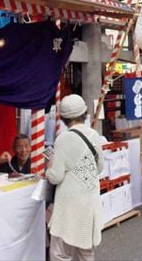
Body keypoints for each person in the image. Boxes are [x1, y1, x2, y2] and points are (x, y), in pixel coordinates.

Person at [46, 94, 104, 261]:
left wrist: (48, 169)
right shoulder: (93, 135)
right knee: (85, 251)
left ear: (63, 118)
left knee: (60, 252)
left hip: (69, 202)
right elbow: (99, 167)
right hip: (89, 198)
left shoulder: (63, 140)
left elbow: (56, 177)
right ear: (84, 113)